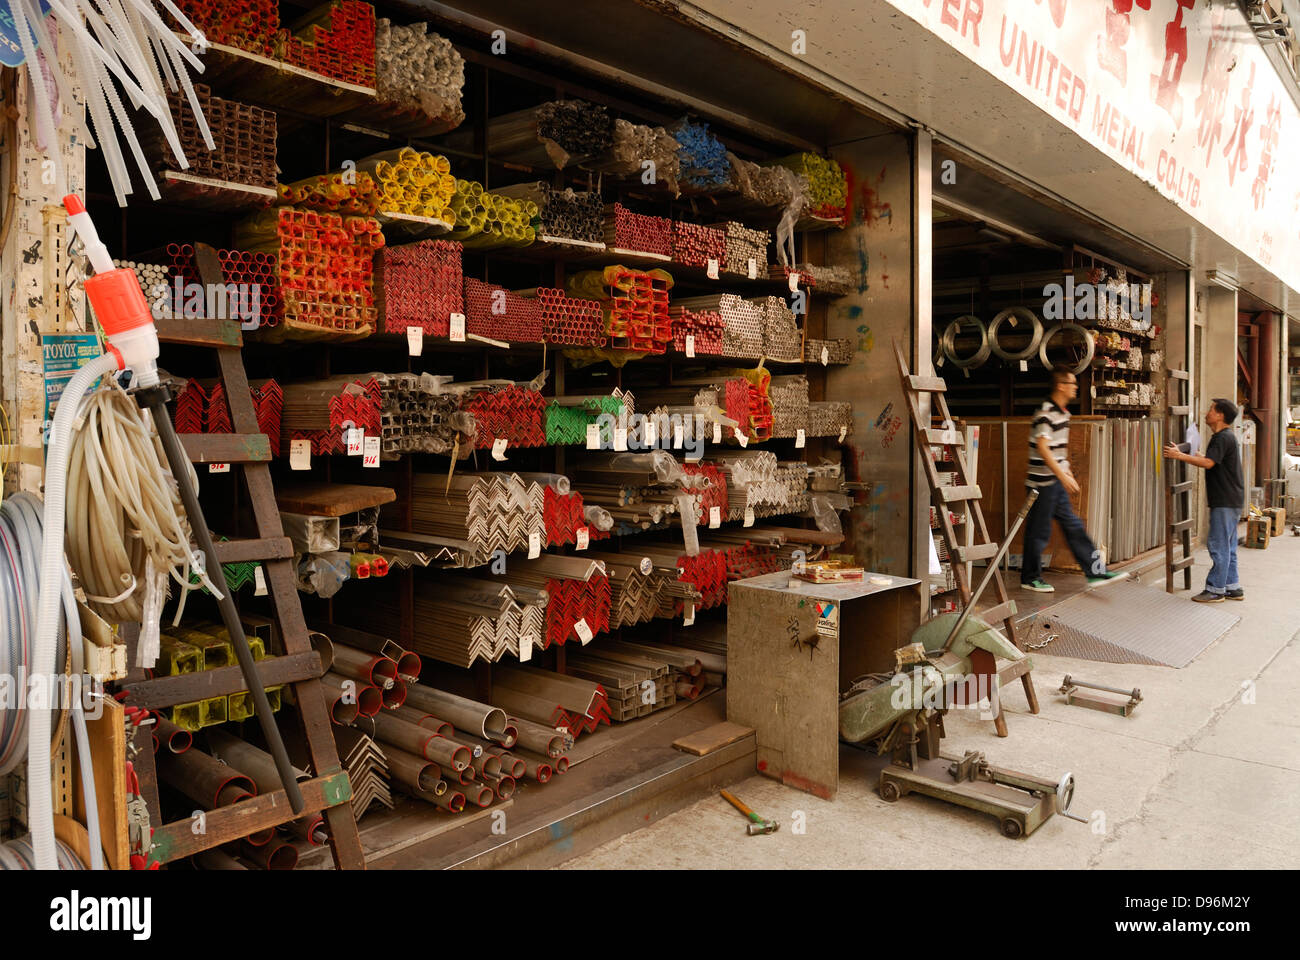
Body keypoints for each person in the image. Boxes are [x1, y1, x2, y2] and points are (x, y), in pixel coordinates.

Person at [1020, 367, 1126, 592]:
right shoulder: (1046, 413)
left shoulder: (1063, 414)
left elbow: (1059, 452)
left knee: (1074, 526)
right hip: (1041, 484)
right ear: (1061, 386)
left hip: (1054, 483)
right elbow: (1042, 447)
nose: (1076, 388)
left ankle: (1096, 572)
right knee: (1038, 532)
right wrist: (1062, 475)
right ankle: (1030, 578)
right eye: (1072, 384)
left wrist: (1066, 473)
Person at [1163, 398, 1245, 602]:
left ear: (1220, 415)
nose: (1207, 413)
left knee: (1218, 545)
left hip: (1225, 500)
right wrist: (1186, 452)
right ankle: (1232, 586)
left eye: (1211, 409)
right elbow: (1211, 459)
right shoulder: (1224, 437)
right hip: (1232, 499)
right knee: (1228, 546)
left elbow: (1208, 463)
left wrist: (1178, 457)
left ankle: (1215, 589)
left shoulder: (1221, 438)